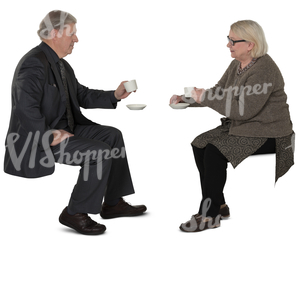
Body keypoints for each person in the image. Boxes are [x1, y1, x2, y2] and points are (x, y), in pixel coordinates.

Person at [4, 10, 147, 235]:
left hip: (68, 128)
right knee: (99, 152)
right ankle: (74, 212)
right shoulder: (33, 63)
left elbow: (81, 95)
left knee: (113, 135)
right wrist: (48, 135)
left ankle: (111, 203)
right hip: (39, 138)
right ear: (54, 33)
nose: (76, 39)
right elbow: (24, 107)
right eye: (72, 34)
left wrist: (115, 95)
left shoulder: (62, 65)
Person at [170, 20, 294, 233]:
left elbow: (243, 110)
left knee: (215, 151)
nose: (228, 45)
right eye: (229, 40)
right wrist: (187, 99)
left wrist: (205, 97)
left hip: (270, 132)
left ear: (250, 44)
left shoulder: (264, 69)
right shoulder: (237, 64)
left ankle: (209, 215)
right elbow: (219, 92)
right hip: (245, 126)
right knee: (200, 143)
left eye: (233, 41)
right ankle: (218, 204)